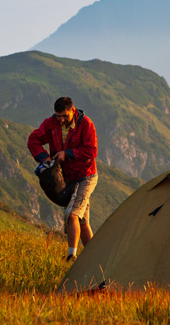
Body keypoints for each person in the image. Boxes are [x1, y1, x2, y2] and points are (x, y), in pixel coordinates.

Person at [28, 97, 98, 262]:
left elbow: (91, 151)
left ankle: (71, 256)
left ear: (72, 111)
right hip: (68, 177)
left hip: (86, 176)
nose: (61, 120)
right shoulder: (51, 123)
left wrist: (67, 154)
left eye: (64, 116)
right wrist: (45, 159)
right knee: (82, 222)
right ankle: (95, 258)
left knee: (72, 214)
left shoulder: (86, 124)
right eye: (58, 116)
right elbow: (33, 140)